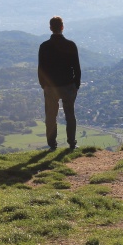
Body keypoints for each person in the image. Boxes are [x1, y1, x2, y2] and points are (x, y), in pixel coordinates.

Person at [38, 16, 81, 150]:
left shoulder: (44, 46)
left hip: (50, 87)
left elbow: (41, 70)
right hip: (68, 85)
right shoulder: (70, 45)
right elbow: (77, 68)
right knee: (70, 115)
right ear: (62, 27)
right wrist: (76, 85)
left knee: (51, 116)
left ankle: (52, 145)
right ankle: (72, 143)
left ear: (50, 28)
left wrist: (44, 85)